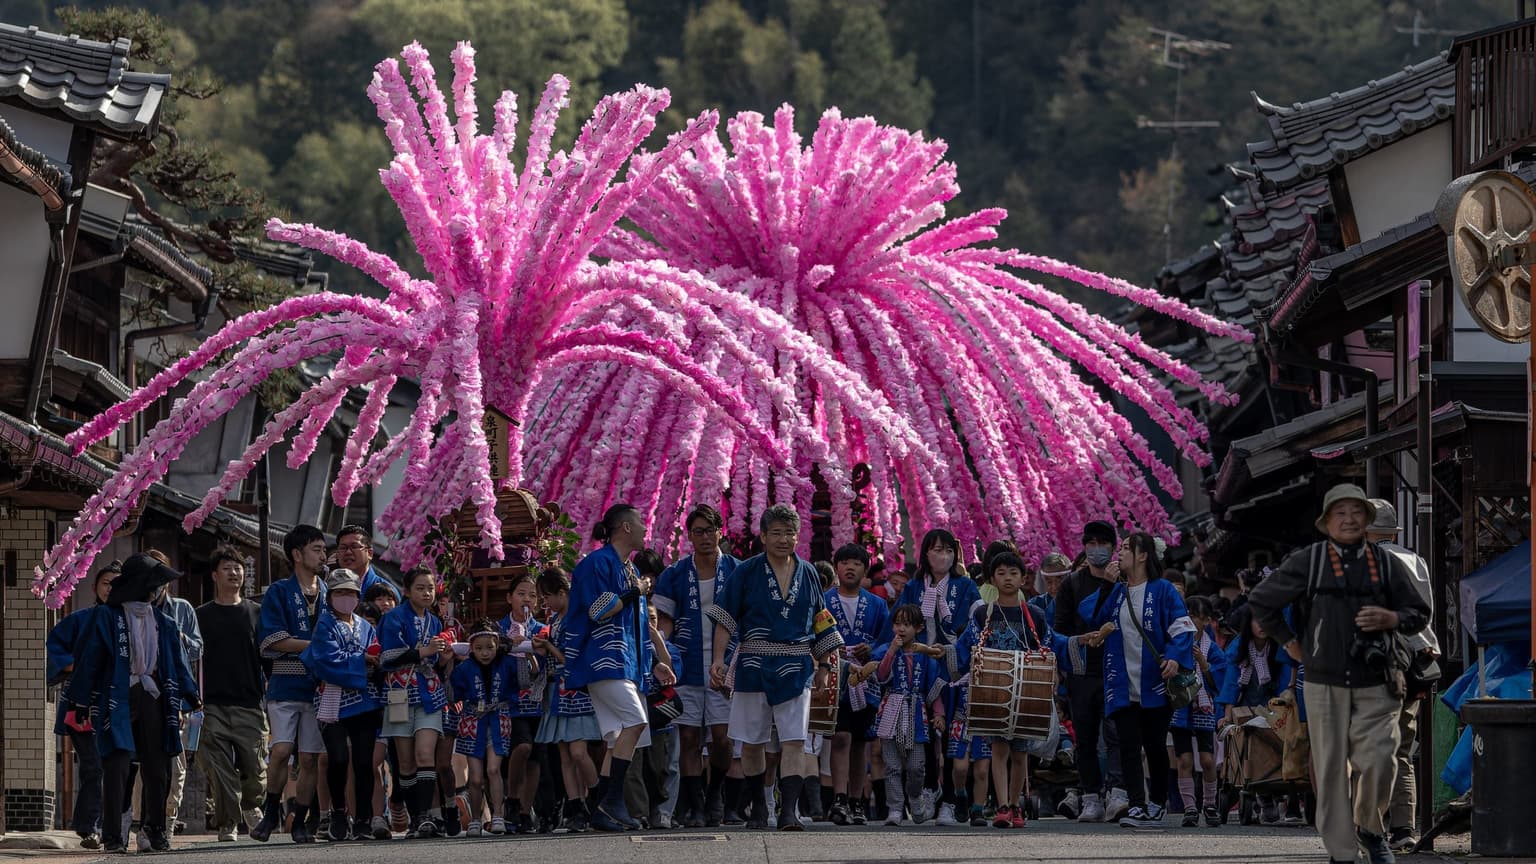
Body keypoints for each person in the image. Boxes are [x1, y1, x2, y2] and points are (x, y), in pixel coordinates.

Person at [1247, 485, 1430, 864]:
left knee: (1382, 759)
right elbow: (1262, 600)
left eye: (1356, 512)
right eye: (1340, 513)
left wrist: (1392, 618)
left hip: (1378, 677)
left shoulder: (1386, 562)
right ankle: (1343, 851)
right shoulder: (1309, 561)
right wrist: (1289, 643)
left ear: (1367, 520)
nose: (1349, 519)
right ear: (1327, 522)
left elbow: (1420, 611)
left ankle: (1371, 827)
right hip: (1323, 679)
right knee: (1331, 768)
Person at [707, 504, 845, 831]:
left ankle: (788, 812)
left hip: (797, 664)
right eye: (777, 533)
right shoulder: (746, 571)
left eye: (790, 533)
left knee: (794, 739)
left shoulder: (809, 572)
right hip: (754, 662)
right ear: (764, 536)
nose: (784, 539)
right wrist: (718, 659)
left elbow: (821, 620)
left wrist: (825, 664)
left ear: (798, 537)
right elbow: (725, 617)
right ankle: (758, 808)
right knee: (752, 741)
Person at [67, 554, 201, 854]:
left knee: (158, 767)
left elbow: (176, 662)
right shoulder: (107, 617)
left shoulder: (164, 621)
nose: (157, 590)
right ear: (141, 585)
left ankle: (154, 830)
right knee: (116, 766)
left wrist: (188, 696)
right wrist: (81, 699)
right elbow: (91, 659)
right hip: (118, 696)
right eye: (154, 583)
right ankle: (113, 836)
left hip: (155, 697)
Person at [566, 504, 673, 831]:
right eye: (641, 522)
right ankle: (611, 803)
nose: (645, 528)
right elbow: (599, 610)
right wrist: (635, 591)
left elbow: (637, 626)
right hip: (603, 661)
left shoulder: (626, 567)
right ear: (625, 527)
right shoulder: (597, 563)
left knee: (616, 739)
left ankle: (604, 807)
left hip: (625, 664)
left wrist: (653, 663)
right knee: (636, 722)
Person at [1081, 532, 1195, 830]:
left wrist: (1173, 657)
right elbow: (1091, 616)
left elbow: (1182, 628)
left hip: (1155, 682)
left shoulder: (1164, 591)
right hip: (1121, 682)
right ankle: (1137, 805)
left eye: (1127, 549)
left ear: (1143, 556)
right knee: (1128, 746)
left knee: (1155, 744)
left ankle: (1157, 804)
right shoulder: (1116, 592)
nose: (1120, 554)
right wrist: (1106, 584)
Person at [950, 552, 1054, 830]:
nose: (1008, 578)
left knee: (1020, 754)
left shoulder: (1035, 614)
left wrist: (1079, 643)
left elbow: (1049, 646)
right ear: (992, 579)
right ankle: (1002, 806)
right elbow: (965, 647)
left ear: (1024, 578)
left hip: (1025, 691)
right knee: (998, 750)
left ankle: (1017, 803)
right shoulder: (984, 613)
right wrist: (940, 653)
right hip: (994, 692)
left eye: (1013, 573)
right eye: (1001, 573)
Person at [653, 504, 739, 828]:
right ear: (689, 536)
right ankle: (696, 804)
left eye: (710, 530)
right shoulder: (674, 574)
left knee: (723, 738)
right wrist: (660, 655)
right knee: (688, 738)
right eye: (698, 531)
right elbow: (665, 622)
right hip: (686, 664)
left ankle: (715, 789)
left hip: (725, 664)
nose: (704, 537)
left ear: (720, 531)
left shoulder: (736, 570)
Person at [1366, 499, 1440, 853]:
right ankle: (1404, 828)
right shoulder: (1415, 559)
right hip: (1418, 660)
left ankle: (1374, 827)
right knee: (1402, 749)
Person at [896, 529, 981, 823]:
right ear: (925, 554)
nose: (942, 555)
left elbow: (976, 628)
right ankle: (929, 789)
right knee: (925, 735)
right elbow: (899, 621)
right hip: (918, 668)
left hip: (952, 669)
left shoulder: (966, 586)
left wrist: (950, 648)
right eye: (935, 549)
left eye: (947, 550)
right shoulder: (913, 587)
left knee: (952, 738)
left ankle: (951, 799)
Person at [251, 525, 328, 843]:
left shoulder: (329, 592)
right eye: (316, 549)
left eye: (324, 549)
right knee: (281, 750)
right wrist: (317, 645)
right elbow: (271, 639)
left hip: (319, 687)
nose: (323, 555)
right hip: (284, 682)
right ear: (297, 554)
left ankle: (300, 820)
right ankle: (270, 813)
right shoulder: (279, 592)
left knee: (310, 757)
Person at [301, 568, 384, 840]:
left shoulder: (366, 627)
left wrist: (374, 661)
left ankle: (363, 819)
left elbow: (376, 655)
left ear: (358, 596)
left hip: (365, 701)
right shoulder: (324, 625)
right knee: (337, 758)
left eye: (350, 592)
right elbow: (326, 660)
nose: (345, 597)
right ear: (330, 597)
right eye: (339, 592)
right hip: (332, 699)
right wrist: (363, 661)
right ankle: (338, 811)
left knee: (364, 763)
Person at [193, 549, 268, 842]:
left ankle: (251, 805)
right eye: (226, 568)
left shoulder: (256, 613)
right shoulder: (201, 616)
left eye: (238, 568)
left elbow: (268, 657)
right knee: (217, 766)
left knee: (255, 765)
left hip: (249, 701)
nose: (234, 573)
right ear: (215, 575)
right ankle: (227, 823)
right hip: (211, 703)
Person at [1055, 520, 1127, 822]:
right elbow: (1058, 630)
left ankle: (1118, 791)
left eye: (1103, 543)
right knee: (1084, 737)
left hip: (1116, 669)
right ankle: (1090, 796)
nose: (1097, 549)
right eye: (1091, 543)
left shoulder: (1127, 580)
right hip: (1082, 671)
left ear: (1114, 547)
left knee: (1117, 734)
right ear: (1084, 546)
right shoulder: (1072, 584)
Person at [47, 562, 119, 849]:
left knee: (120, 768)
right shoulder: (80, 619)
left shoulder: (133, 620)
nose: (111, 588)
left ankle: (116, 825)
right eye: (106, 583)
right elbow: (54, 647)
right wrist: (73, 665)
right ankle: (90, 827)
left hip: (121, 705)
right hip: (83, 703)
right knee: (94, 766)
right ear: (95, 588)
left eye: (117, 583)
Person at [379, 566, 453, 838]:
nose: (426, 593)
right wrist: (426, 651)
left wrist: (443, 658)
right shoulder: (394, 618)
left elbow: (434, 660)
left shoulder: (435, 621)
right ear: (407, 591)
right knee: (406, 762)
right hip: (400, 693)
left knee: (424, 754)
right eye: (420, 588)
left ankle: (425, 817)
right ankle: (414, 818)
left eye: (430, 588)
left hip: (428, 694)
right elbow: (387, 657)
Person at [822, 543, 890, 827]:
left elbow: (887, 639)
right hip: (835, 678)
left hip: (866, 679)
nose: (850, 567)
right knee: (840, 737)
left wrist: (871, 650)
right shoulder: (823, 600)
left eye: (857, 563)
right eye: (845, 562)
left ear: (865, 570)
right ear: (836, 568)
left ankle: (856, 799)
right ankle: (838, 798)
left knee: (861, 741)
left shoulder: (877, 604)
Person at [861, 604, 945, 827]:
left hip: (916, 712)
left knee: (916, 766)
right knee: (892, 766)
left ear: (918, 628)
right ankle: (895, 808)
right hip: (891, 710)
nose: (901, 629)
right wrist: (890, 650)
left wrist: (939, 714)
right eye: (897, 623)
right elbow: (880, 676)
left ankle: (916, 798)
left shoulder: (926, 656)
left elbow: (933, 689)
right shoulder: (885, 650)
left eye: (907, 624)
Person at [533, 566, 601, 833]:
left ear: (562, 593)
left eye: (546, 597)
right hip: (557, 689)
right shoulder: (558, 620)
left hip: (576, 689)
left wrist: (548, 646)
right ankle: (576, 806)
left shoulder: (578, 617)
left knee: (578, 751)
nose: (544, 603)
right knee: (563, 752)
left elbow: (574, 659)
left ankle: (598, 798)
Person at [1217, 603, 1296, 824]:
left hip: (1273, 709)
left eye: (1265, 620)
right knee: (1247, 743)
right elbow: (1231, 684)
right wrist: (1227, 714)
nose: (1261, 626)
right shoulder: (1238, 648)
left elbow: (1283, 685)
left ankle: (1270, 794)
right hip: (1245, 708)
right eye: (1256, 620)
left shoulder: (1280, 648)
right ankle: (1259, 794)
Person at [450, 618, 527, 837]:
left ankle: (498, 816)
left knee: (493, 770)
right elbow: (452, 694)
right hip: (472, 721)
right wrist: (448, 661)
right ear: (471, 648)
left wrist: (523, 649)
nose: (485, 653)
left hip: (499, 718)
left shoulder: (508, 662)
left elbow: (525, 681)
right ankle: (475, 818)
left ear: (497, 646)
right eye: (479, 648)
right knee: (474, 777)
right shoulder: (464, 668)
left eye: (490, 648)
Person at [496, 573, 547, 833]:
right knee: (522, 747)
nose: (526, 599)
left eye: (533, 595)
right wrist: (508, 646)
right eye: (521, 593)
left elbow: (544, 666)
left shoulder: (541, 629)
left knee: (535, 757)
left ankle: (525, 811)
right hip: (510, 701)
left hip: (536, 701)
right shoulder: (498, 628)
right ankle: (512, 797)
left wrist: (534, 648)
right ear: (509, 598)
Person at [1172, 595, 1226, 828]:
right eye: (1192, 617)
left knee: (1206, 759)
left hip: (1203, 705)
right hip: (1181, 706)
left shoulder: (1210, 647)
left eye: (1201, 618)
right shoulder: (1175, 642)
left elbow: (1221, 677)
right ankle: (1190, 808)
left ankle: (1210, 804)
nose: (1196, 623)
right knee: (1184, 759)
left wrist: (1204, 665)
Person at [335, 524, 401, 604]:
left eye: (354, 546)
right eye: (343, 548)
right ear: (337, 554)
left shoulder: (387, 593)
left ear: (370, 553)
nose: (348, 552)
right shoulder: (327, 587)